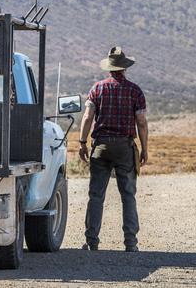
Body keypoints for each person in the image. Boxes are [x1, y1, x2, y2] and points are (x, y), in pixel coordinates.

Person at [78, 46, 148, 252]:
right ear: (125, 68)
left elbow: (88, 117)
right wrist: (145, 148)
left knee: (96, 195)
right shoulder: (135, 91)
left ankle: (92, 241)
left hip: (101, 146)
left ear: (109, 68)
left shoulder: (97, 88)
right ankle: (131, 243)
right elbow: (141, 123)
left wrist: (82, 142)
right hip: (125, 148)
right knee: (128, 194)